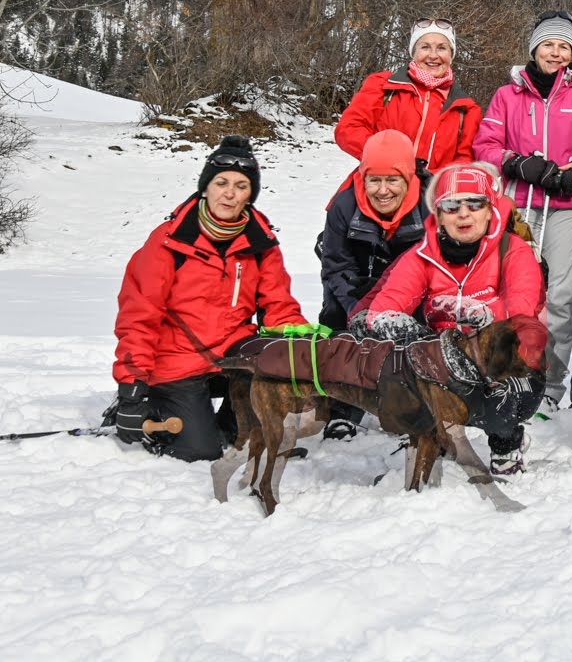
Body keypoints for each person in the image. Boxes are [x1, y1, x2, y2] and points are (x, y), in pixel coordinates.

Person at [112, 137, 307, 461]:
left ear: (250, 194)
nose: (229, 193)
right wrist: (132, 388)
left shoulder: (261, 243)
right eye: (222, 182)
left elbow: (279, 305)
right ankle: (154, 405)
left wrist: (299, 348)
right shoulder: (168, 242)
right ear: (206, 186)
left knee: (266, 377)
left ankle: (236, 424)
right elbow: (139, 317)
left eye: (241, 185)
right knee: (200, 450)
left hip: (232, 352)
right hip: (176, 360)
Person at [359, 163, 548, 474]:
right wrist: (396, 326)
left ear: (490, 210)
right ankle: (430, 434)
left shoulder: (513, 250)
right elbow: (385, 307)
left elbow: (522, 311)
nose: (464, 213)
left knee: (508, 370)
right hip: (444, 362)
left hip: (502, 359)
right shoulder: (422, 256)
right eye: (452, 205)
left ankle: (507, 442)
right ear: (439, 213)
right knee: (400, 364)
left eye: (475, 203)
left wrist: (480, 314)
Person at [475, 10, 572, 407]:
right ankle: (504, 374)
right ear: (535, 48)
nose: (556, 52)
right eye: (549, 44)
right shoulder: (507, 96)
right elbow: (484, 146)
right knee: (513, 292)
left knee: (561, 297)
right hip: (518, 205)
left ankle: (549, 387)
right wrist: (519, 163)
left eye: (564, 46)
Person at [314, 128, 428, 437]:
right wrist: (356, 308)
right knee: (335, 318)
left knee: (421, 327)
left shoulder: (430, 206)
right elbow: (334, 266)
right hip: (355, 287)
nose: (382, 190)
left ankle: (417, 407)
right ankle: (341, 407)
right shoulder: (344, 206)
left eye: (393, 180)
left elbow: (438, 265)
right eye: (374, 180)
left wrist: (396, 303)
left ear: (409, 177)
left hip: (412, 291)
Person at [335, 19, 482, 177]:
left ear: (451, 55)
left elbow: (466, 160)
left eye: (442, 48)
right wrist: (391, 160)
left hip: (432, 195)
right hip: (380, 187)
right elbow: (348, 129)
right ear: (414, 52)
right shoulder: (383, 86)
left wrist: (431, 178)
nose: (433, 55)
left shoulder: (466, 109)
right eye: (425, 47)